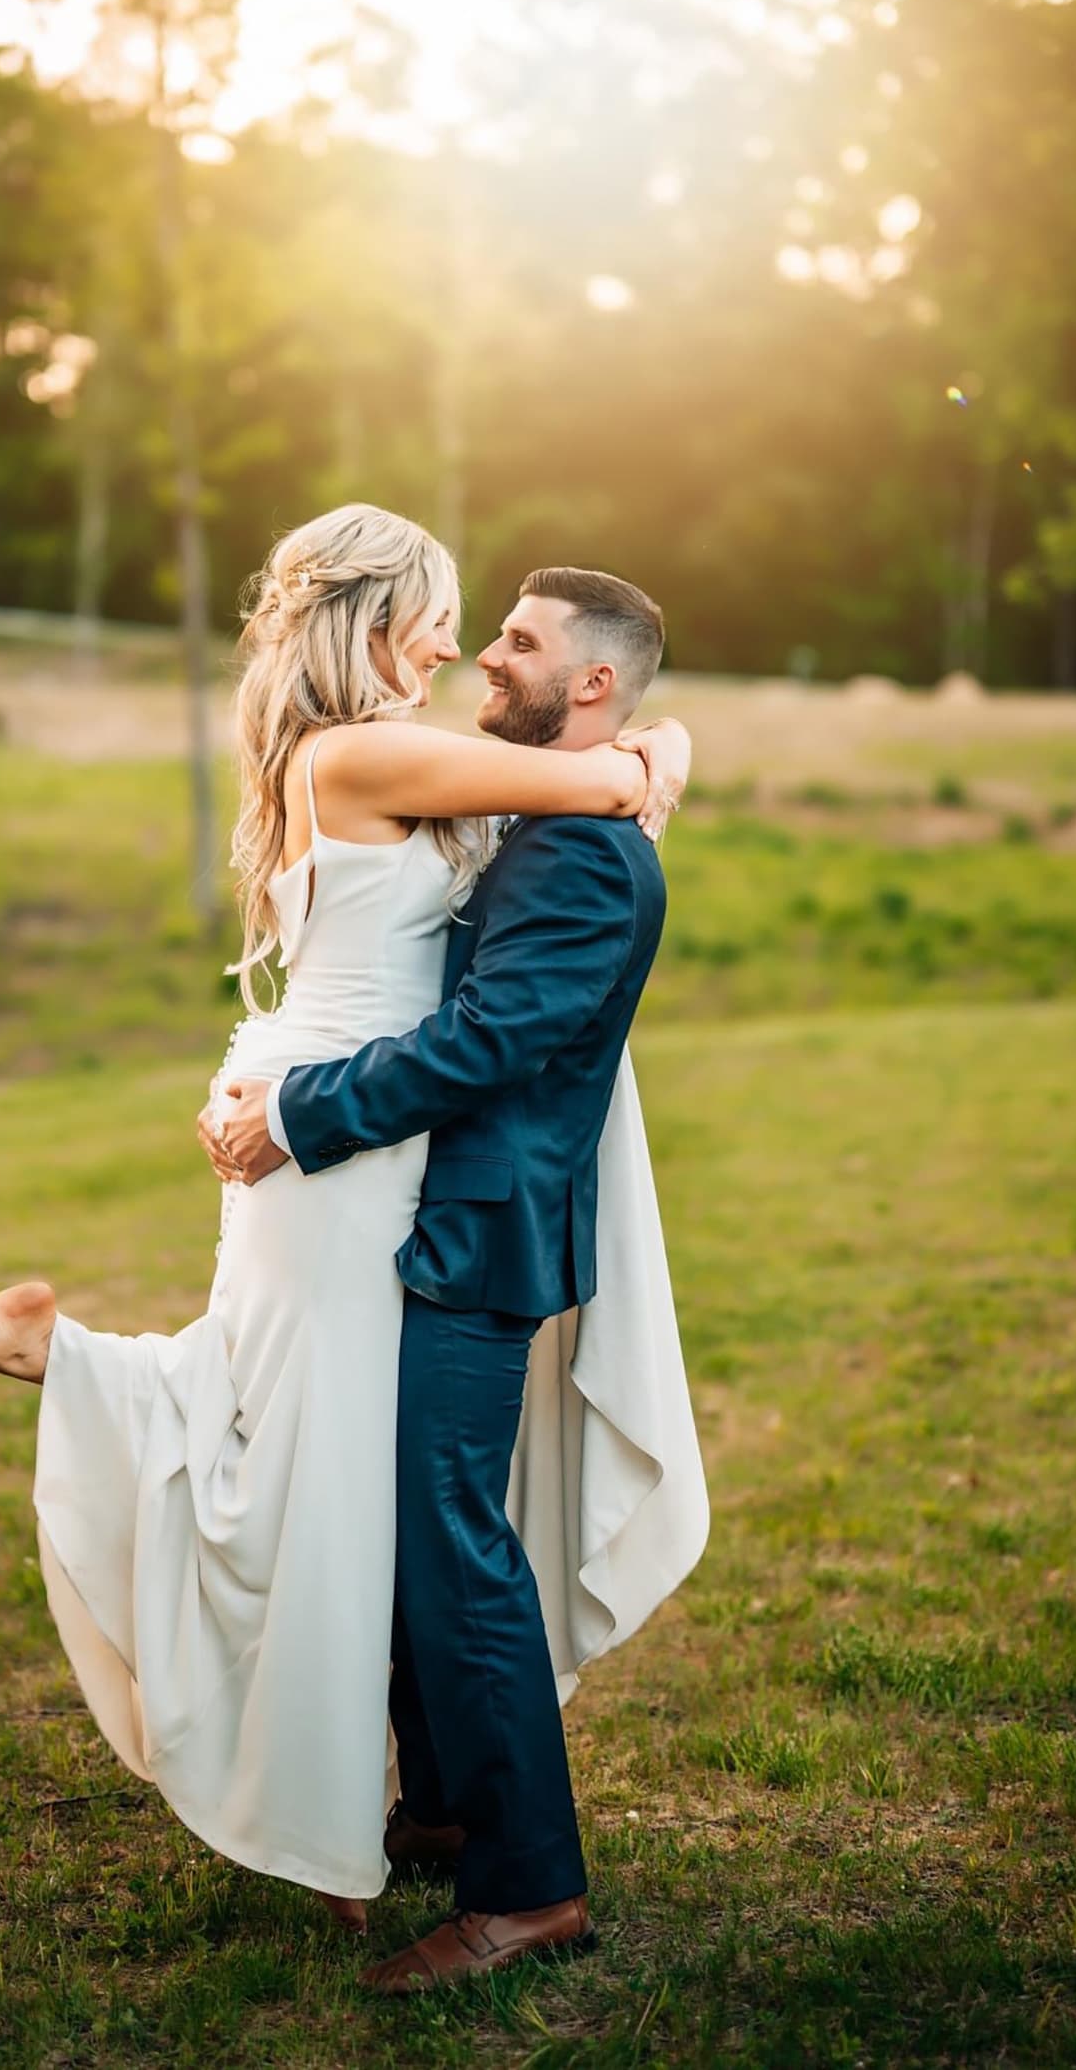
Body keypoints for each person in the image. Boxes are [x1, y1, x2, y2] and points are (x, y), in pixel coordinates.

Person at [0, 503, 706, 1948]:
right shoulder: (368, 754)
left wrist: (651, 746)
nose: (462, 647)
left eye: (502, 631)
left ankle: (70, 1366)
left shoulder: (363, 756)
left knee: (311, 1457)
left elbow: (610, 783)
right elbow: (617, 774)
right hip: (344, 1145)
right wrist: (650, 752)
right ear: (374, 615)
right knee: (307, 1467)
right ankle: (75, 1375)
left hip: (348, 1136)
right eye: (451, 616)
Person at [205, 558, 705, 1991]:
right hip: (440, 1216)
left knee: (448, 1537)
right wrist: (654, 751)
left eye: (523, 640)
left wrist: (300, 1117)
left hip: (479, 1228)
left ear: (591, 681)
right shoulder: (551, 805)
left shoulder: (585, 849)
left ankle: (530, 1886)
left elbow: (489, 1045)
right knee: (423, 1519)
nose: (491, 652)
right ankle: (436, 1804)